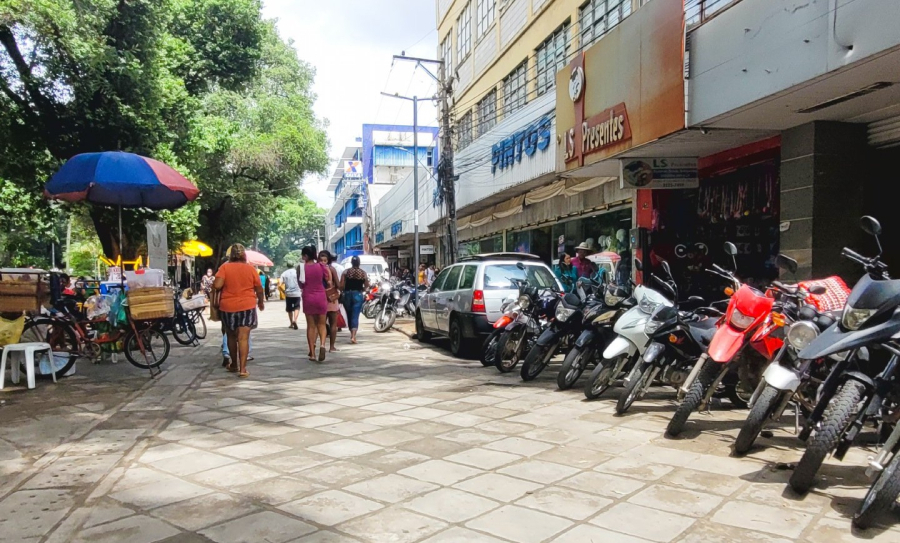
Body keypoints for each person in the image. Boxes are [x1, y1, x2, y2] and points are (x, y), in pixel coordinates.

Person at [212, 244, 265, 378]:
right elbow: (259, 288)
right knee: (243, 338)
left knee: (230, 336)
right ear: (244, 255)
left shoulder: (224, 267)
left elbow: (217, 285)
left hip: (228, 307)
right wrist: (261, 302)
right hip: (247, 306)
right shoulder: (251, 269)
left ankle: (234, 364)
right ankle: (242, 369)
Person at [299, 245, 331, 362]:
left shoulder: (301, 268)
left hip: (308, 297)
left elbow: (301, 284)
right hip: (320, 297)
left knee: (311, 326)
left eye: (303, 255)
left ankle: (312, 353)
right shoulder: (321, 266)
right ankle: (322, 345)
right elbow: (328, 280)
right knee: (322, 324)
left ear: (306, 256)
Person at [340, 256, 370, 344]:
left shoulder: (346, 272)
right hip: (358, 294)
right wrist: (363, 290)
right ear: (359, 263)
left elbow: (341, 285)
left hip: (347, 295)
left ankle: (351, 333)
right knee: (355, 315)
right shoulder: (363, 273)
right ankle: (353, 336)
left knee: (349, 314)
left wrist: (341, 290)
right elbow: (367, 285)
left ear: (351, 263)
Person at [319, 250, 342, 352]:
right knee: (333, 324)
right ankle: (332, 347)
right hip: (331, 298)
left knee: (320, 324)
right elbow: (338, 284)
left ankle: (321, 344)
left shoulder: (316, 269)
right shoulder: (331, 269)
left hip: (320, 298)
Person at [281, 265, 302, 329]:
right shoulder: (297, 272)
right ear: (293, 265)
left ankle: (291, 323)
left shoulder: (284, 273)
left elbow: (279, 284)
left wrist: (284, 291)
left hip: (288, 294)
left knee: (289, 309)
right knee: (297, 307)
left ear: (287, 265)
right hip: (297, 293)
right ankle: (295, 320)